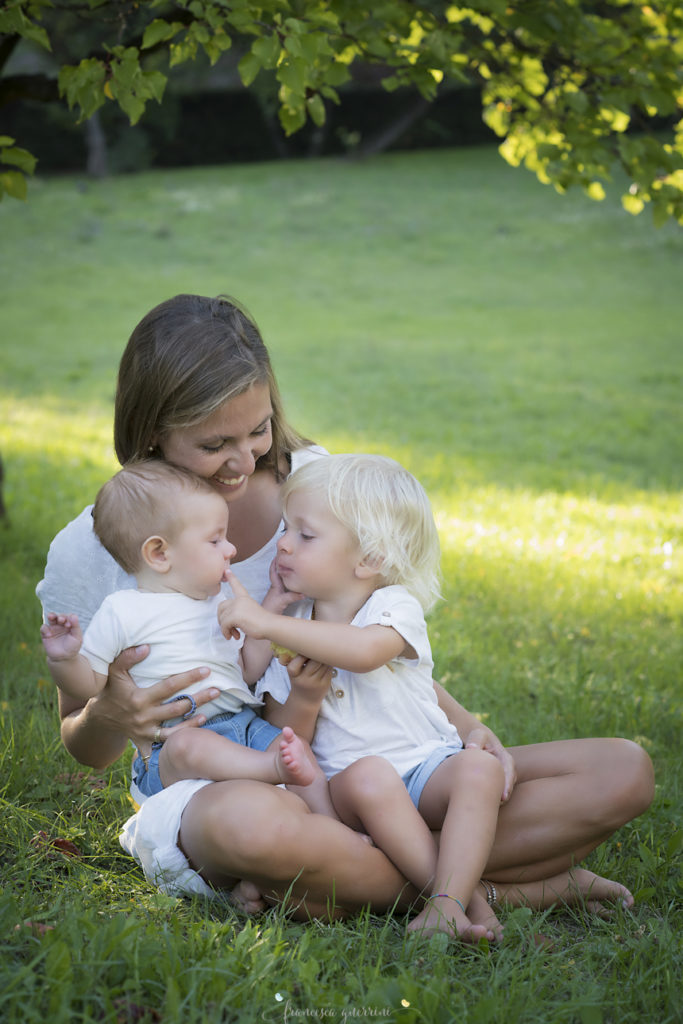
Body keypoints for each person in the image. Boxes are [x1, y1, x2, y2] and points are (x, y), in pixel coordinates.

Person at [36, 293, 654, 924]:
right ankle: (494, 888)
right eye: (214, 442)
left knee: (621, 773)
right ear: (151, 431)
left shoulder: (317, 489)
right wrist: (109, 711)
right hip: (229, 784)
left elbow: (366, 639)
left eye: (257, 430)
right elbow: (84, 743)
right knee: (254, 828)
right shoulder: (96, 546)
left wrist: (465, 725)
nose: (244, 461)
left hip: (368, 768)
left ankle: (351, 880)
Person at [219, 453, 507, 941]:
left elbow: (366, 651)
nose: (283, 544)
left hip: (424, 770)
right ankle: (467, 902)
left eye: (304, 535)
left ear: (370, 560)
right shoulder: (291, 626)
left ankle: (448, 906)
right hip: (347, 794)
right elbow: (286, 735)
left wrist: (267, 621)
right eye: (286, 528)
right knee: (372, 775)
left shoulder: (392, 606)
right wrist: (301, 686)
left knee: (480, 768)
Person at [39, 460, 328, 804]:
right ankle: (270, 770)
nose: (230, 550)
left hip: (242, 725)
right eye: (215, 540)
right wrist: (65, 658)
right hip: (173, 747)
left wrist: (272, 604)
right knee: (191, 746)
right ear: (160, 554)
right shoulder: (122, 611)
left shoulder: (217, 600)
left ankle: (334, 824)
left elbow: (247, 667)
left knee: (295, 747)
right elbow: (88, 685)